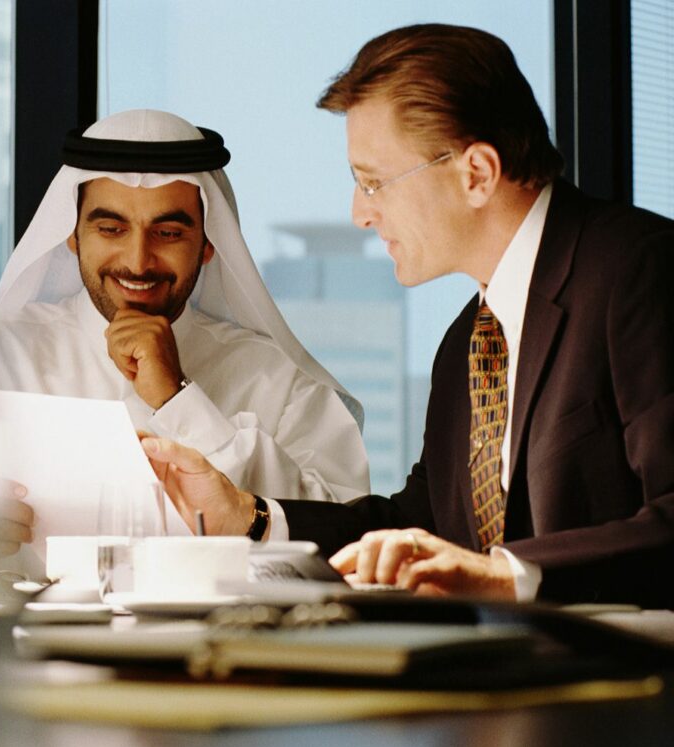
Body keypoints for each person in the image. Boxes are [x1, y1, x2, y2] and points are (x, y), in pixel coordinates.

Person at [140, 25, 674, 608]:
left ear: (477, 173)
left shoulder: (641, 271)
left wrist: (505, 575)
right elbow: (417, 529)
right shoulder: (468, 342)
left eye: (374, 183)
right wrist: (250, 517)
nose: (359, 214)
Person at [0, 109, 370, 559]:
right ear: (73, 237)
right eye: (111, 228)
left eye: (168, 233)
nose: (138, 260)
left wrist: (178, 399)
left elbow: (346, 544)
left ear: (209, 245)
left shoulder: (280, 382)